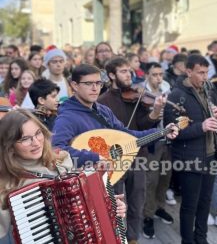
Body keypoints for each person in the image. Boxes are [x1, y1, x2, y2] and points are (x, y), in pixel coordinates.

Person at [0, 109, 127, 243]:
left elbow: (85, 209)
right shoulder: (7, 186)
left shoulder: (61, 161)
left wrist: (110, 206)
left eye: (38, 133)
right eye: (25, 139)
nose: (36, 143)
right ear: (10, 146)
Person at [98, 58, 172, 244]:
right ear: (112, 75)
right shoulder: (102, 102)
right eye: (123, 71)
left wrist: (155, 112)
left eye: (129, 71)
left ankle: (133, 239)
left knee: (137, 205)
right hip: (115, 162)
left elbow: (144, 124)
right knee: (117, 205)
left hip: (139, 158)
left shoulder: (137, 97)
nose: (129, 75)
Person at [52, 63, 178, 167]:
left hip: (109, 175)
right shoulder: (67, 117)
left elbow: (128, 136)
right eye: (89, 83)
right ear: (75, 85)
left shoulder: (103, 111)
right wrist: (96, 157)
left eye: (98, 83)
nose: (95, 88)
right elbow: (56, 150)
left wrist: (163, 132)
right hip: (87, 182)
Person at [164, 54, 217, 244]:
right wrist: (201, 126)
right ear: (188, 72)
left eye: (206, 72)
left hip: (210, 155)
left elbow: (215, 118)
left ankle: (201, 238)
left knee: (205, 203)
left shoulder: (208, 89)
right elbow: (172, 131)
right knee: (190, 205)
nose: (205, 77)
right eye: (200, 73)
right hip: (189, 159)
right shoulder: (176, 95)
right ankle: (187, 241)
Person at [141, 62, 174, 239]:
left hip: (167, 139)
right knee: (150, 180)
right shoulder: (141, 92)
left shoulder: (167, 88)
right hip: (151, 142)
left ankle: (159, 207)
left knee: (164, 177)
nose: (158, 78)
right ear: (147, 75)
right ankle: (147, 215)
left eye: (161, 74)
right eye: (154, 74)